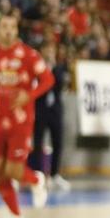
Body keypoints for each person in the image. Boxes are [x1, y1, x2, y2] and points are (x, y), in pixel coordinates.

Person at [0, 14, 51, 218]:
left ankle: (36, 180)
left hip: (21, 119)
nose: (8, 30)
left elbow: (48, 79)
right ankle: (15, 216)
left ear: (17, 30)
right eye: (4, 26)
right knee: (0, 171)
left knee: (13, 170)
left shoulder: (28, 55)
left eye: (12, 27)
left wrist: (30, 95)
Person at [31, 42, 70, 191]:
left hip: (55, 110)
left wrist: (52, 68)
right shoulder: (36, 68)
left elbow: (60, 84)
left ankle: (54, 174)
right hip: (40, 109)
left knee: (58, 142)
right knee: (38, 143)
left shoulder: (59, 68)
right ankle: (38, 174)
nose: (50, 51)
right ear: (42, 51)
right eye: (47, 48)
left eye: (52, 49)